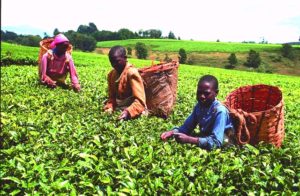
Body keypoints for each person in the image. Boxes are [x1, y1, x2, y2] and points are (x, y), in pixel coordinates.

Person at [160, 75, 234, 150]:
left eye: (206, 93)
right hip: (207, 137)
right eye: (199, 92)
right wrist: (172, 132)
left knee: (223, 143)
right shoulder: (199, 106)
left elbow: (216, 142)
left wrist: (189, 139)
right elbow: (187, 127)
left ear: (216, 93)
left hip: (224, 140)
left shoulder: (220, 111)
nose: (202, 96)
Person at [103, 46, 147, 120]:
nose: (114, 65)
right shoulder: (111, 74)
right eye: (111, 62)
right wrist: (110, 106)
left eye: (117, 61)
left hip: (133, 107)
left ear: (125, 58)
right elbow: (112, 97)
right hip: (119, 106)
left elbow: (140, 101)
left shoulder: (131, 73)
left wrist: (128, 112)